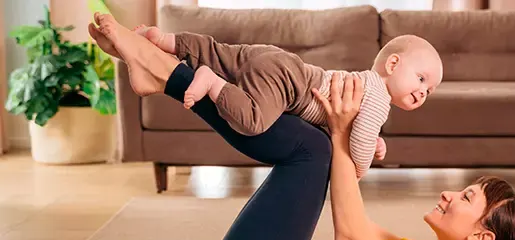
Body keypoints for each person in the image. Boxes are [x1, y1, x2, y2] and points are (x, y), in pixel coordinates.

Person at [87, 12, 515, 240]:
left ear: (482, 237)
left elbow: (352, 236)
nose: (448, 193)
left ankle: (169, 70)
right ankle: (168, 68)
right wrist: (343, 134)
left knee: (315, 150)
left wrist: (344, 135)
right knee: (315, 146)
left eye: (467, 198)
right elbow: (354, 215)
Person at [128, 24, 443, 179]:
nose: (423, 92)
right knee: (253, 121)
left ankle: (168, 41)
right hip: (291, 84)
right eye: (421, 79)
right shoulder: (379, 98)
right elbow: (357, 140)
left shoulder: (367, 86)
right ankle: (212, 82)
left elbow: (360, 128)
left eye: (429, 91)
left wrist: (374, 140)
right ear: (392, 65)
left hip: (282, 61)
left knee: (223, 53)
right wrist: (360, 168)